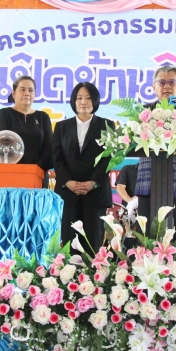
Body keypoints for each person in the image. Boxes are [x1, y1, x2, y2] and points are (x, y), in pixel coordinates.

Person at [52, 82, 114, 254]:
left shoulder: (107, 125)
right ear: (74, 101)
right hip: (68, 194)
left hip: (95, 194)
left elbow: (109, 158)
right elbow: (57, 158)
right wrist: (68, 182)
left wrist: (93, 182)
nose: (83, 102)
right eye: (79, 98)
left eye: (88, 98)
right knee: (68, 246)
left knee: (93, 247)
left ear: (95, 100)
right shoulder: (61, 127)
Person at [135, 66, 176, 235]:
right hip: (149, 180)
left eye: (172, 82)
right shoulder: (142, 113)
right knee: (147, 235)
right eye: (162, 82)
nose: (167, 86)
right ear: (154, 87)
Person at [0, 75, 53, 188]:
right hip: (11, 176)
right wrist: (20, 171)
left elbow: (49, 147)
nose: (27, 93)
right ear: (13, 93)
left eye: (31, 90)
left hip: (38, 175)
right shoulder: (4, 114)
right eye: (22, 90)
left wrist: (35, 170)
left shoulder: (43, 117)